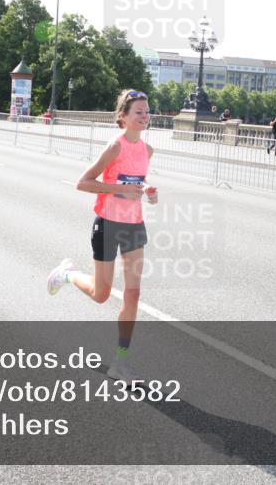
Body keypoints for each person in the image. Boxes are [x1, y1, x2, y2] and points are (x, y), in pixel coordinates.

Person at [46, 89, 158, 382]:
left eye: (147, 111)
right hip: (108, 223)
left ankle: (120, 363)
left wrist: (147, 190)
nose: (145, 116)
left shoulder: (147, 151)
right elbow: (83, 183)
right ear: (123, 117)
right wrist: (118, 190)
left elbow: (137, 179)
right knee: (101, 294)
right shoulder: (115, 146)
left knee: (133, 293)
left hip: (134, 224)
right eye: (139, 112)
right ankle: (67, 275)